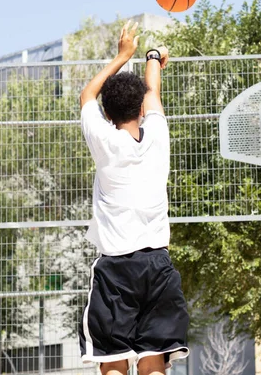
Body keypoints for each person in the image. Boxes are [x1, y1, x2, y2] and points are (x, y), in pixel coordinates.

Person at [78, 21, 189, 375]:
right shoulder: (158, 135)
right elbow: (153, 93)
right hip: (157, 264)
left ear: (107, 116)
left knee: (111, 360)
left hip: (116, 269)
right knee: (154, 361)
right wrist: (152, 58)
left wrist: (121, 55)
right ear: (142, 110)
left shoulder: (105, 142)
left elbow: (86, 96)